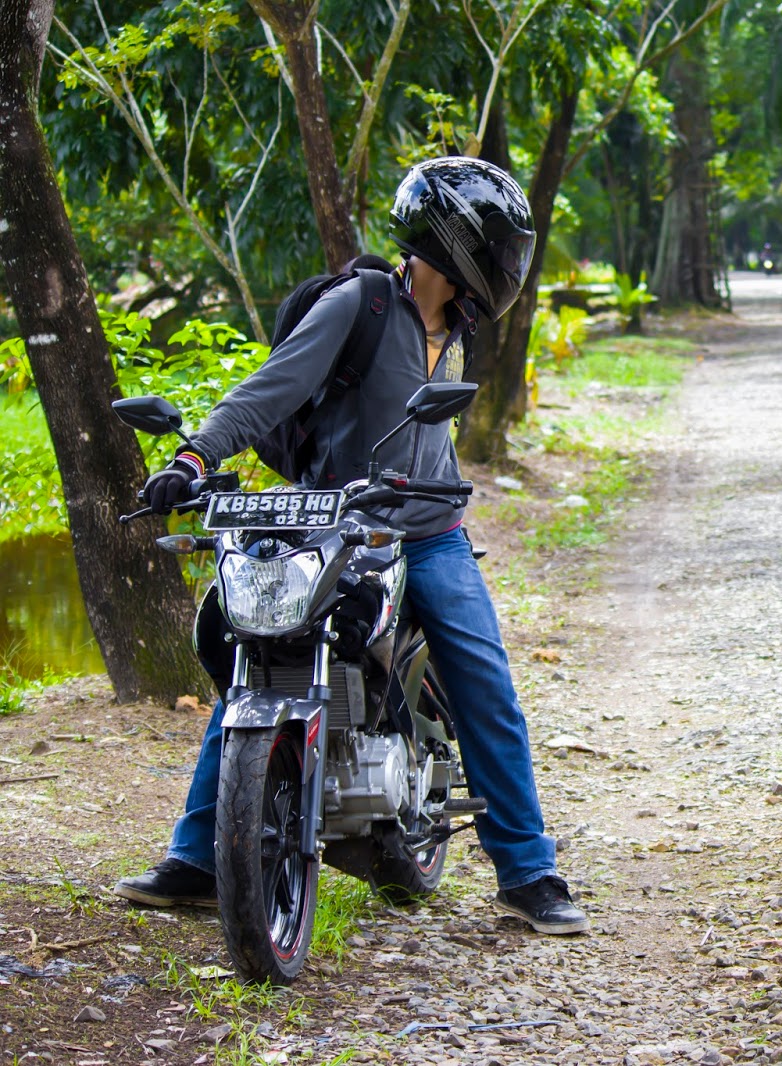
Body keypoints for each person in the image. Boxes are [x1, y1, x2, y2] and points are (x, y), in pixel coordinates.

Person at [111, 157, 588, 936]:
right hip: (335, 525)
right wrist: (194, 456)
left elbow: (426, 441)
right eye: (497, 243)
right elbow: (273, 387)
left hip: (431, 535)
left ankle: (528, 870)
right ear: (454, 237)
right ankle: (200, 857)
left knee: (485, 687)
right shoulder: (359, 304)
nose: (506, 262)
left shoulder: (458, 327)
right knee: (256, 657)